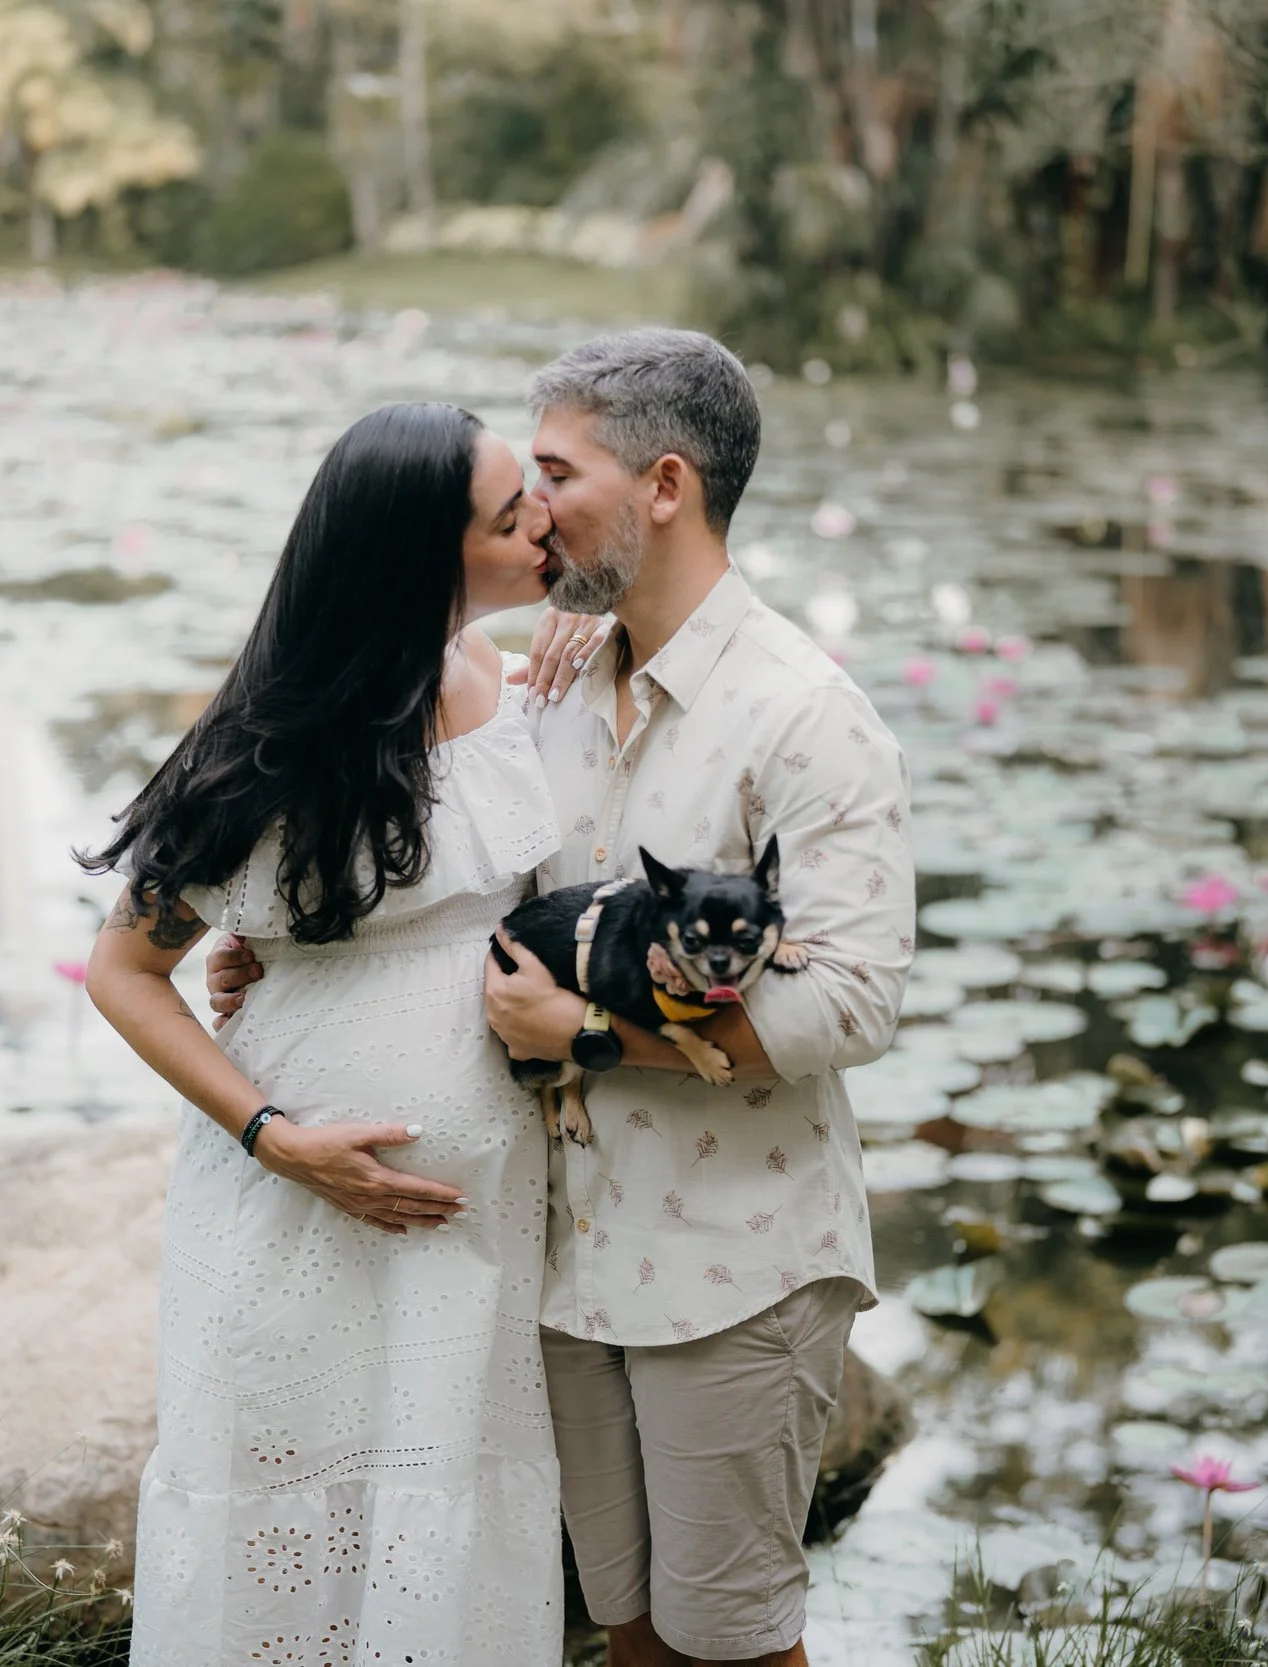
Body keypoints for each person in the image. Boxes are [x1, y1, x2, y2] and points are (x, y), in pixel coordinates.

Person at [210, 330, 916, 1667]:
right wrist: (273, 955)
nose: (531, 510)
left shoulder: (806, 717)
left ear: (663, 484)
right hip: (565, 1259)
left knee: (740, 1640)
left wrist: (599, 1034)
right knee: (634, 1635)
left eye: (553, 472)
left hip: (734, 1260)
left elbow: (856, 1005)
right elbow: (470, 886)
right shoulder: (548, 679)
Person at [80, 401, 607, 1666]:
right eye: (508, 511)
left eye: (535, 493)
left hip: (472, 1227)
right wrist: (277, 1139)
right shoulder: (269, 746)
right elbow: (123, 969)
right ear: (423, 561)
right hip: (291, 1221)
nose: (541, 515)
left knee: (445, 1523)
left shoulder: (521, 677)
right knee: (284, 1539)